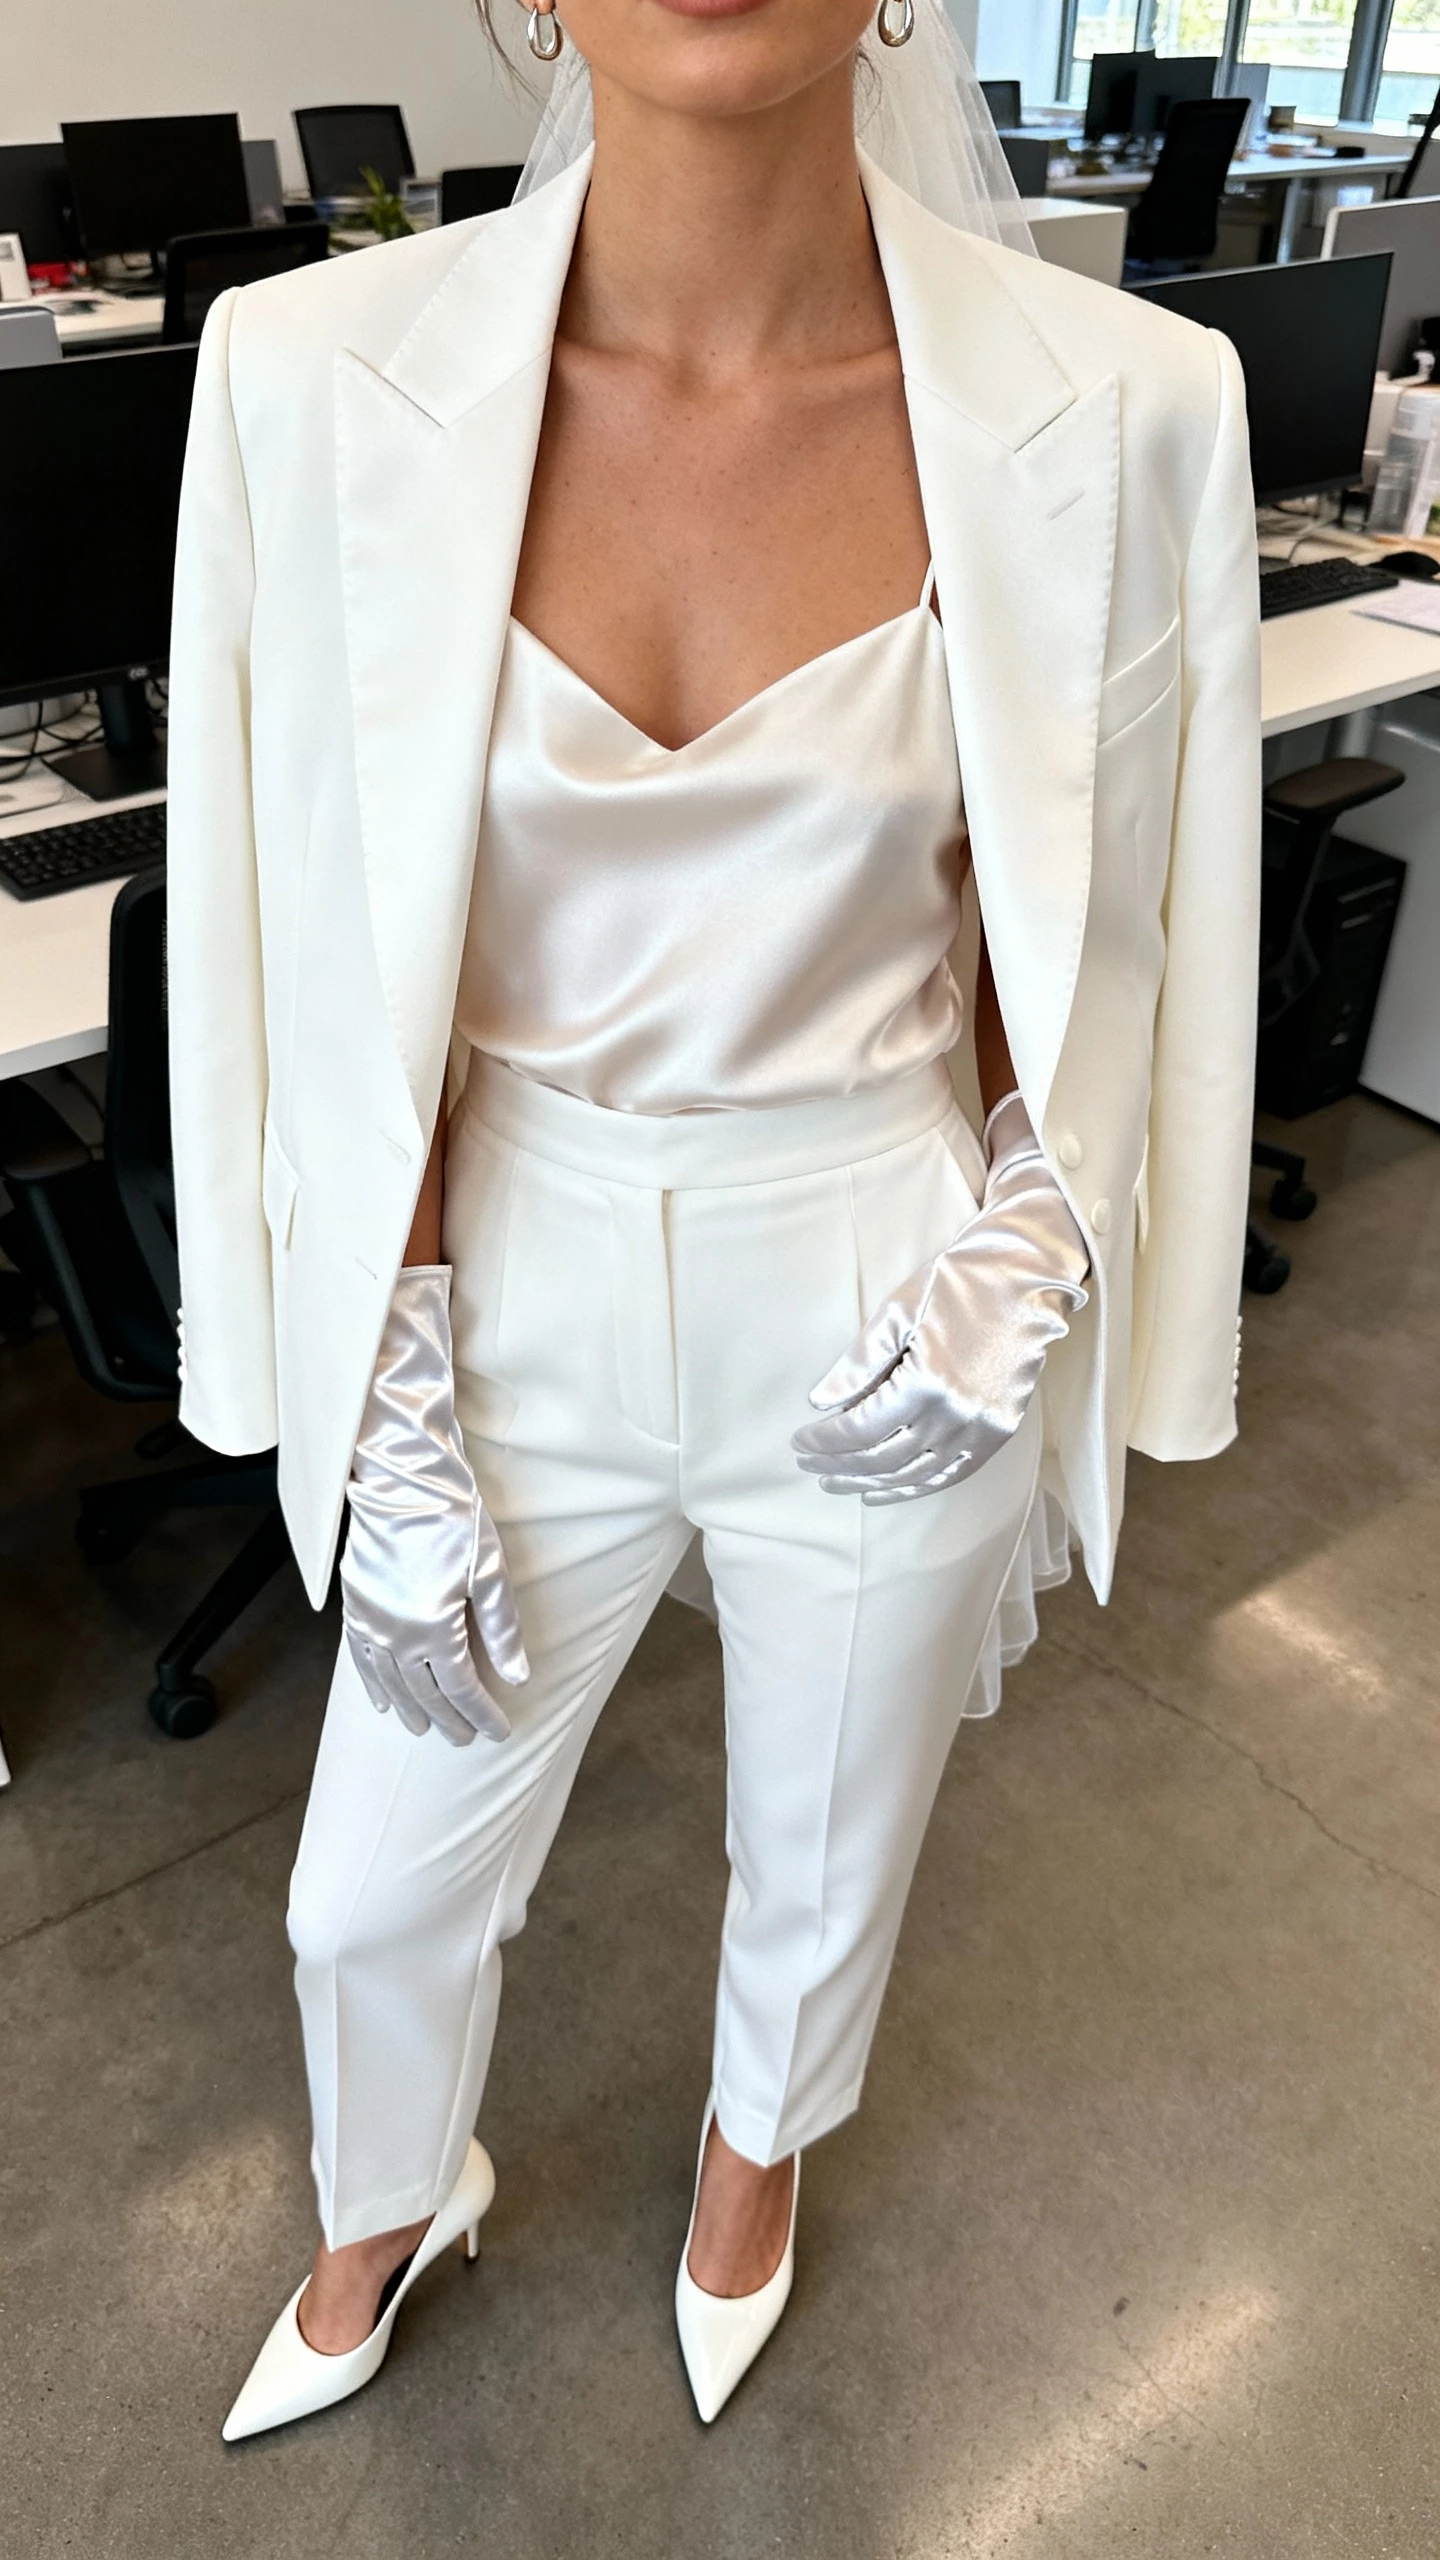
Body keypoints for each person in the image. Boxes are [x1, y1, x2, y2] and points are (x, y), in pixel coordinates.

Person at [166, 0, 1259, 2444]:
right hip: (504, 1266)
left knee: (834, 1820)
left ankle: (751, 2159)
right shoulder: (308, 379)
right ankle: (384, 2186)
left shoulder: (1130, 400)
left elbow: (1121, 918)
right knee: (365, 1884)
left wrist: (1040, 1227)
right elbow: (292, 935)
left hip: (887, 1254)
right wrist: (380, 1348)